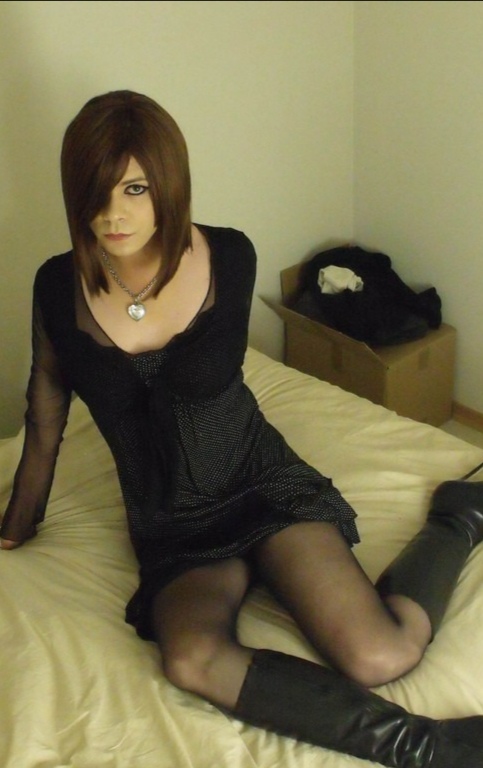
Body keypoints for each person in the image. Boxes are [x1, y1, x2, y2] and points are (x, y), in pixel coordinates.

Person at [1, 89, 483, 767]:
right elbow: (45, 414)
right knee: (191, 658)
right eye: (95, 191)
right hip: (173, 526)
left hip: (260, 484)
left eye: (135, 188)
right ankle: (425, 747)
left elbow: (192, 390)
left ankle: (458, 517)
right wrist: (16, 525)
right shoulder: (57, 287)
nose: (113, 214)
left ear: (168, 183)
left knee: (383, 654)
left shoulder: (228, 256)